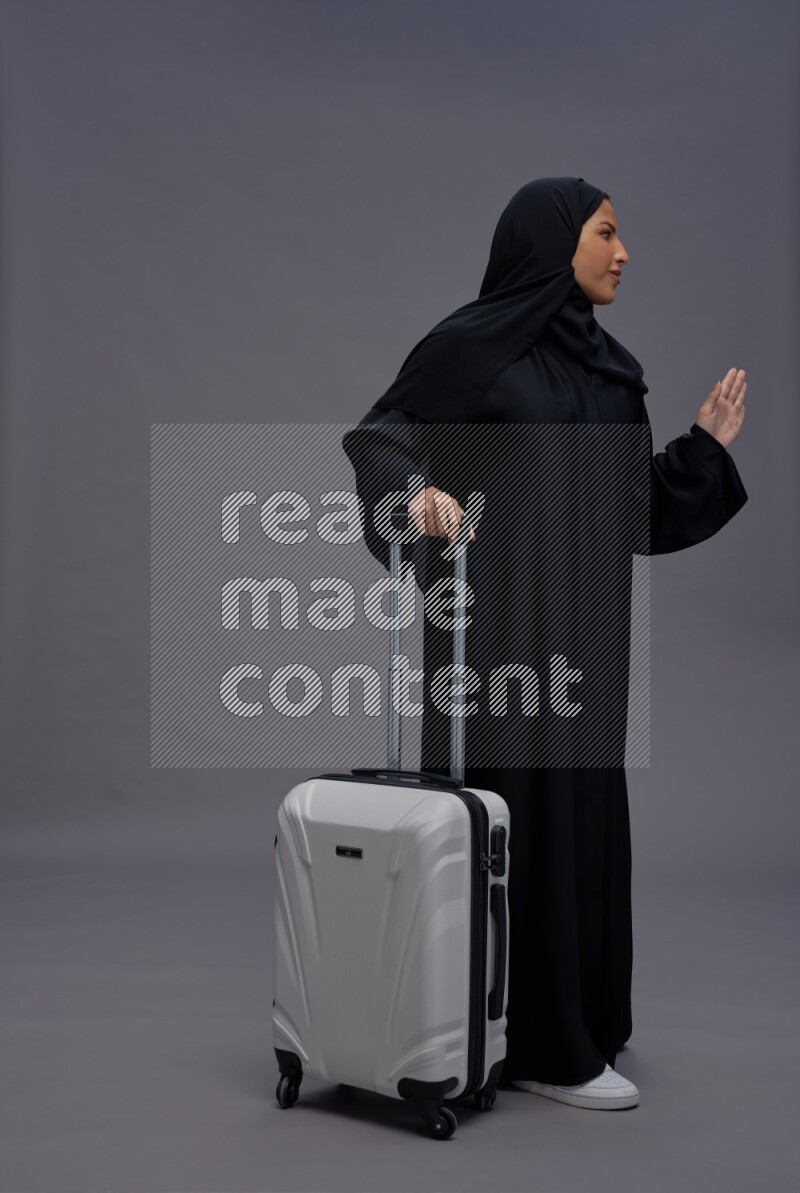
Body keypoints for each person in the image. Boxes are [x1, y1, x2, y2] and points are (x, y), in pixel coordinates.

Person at [342, 177, 748, 1110]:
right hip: (493, 647)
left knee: (581, 824)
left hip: (587, 648)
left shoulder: (611, 375)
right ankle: (527, 1046)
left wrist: (703, 449)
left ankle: (577, 1028)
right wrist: (415, 493)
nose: (624, 250)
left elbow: (634, 509)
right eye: (607, 232)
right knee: (508, 824)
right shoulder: (470, 352)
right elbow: (382, 436)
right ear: (552, 242)